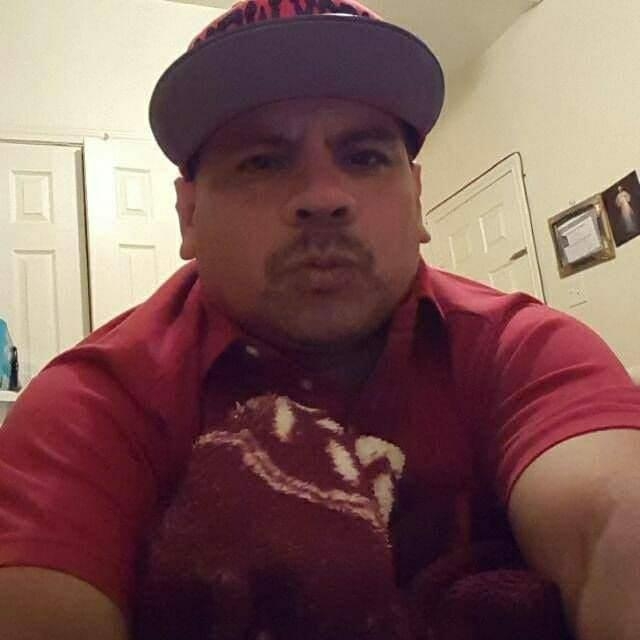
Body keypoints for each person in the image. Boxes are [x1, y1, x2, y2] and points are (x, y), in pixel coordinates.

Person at [1, 1, 640, 639]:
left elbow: (612, 520)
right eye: (263, 161)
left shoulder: (525, 348)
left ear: (417, 198)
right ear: (188, 215)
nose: (324, 197)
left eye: (364, 157)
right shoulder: (92, 401)